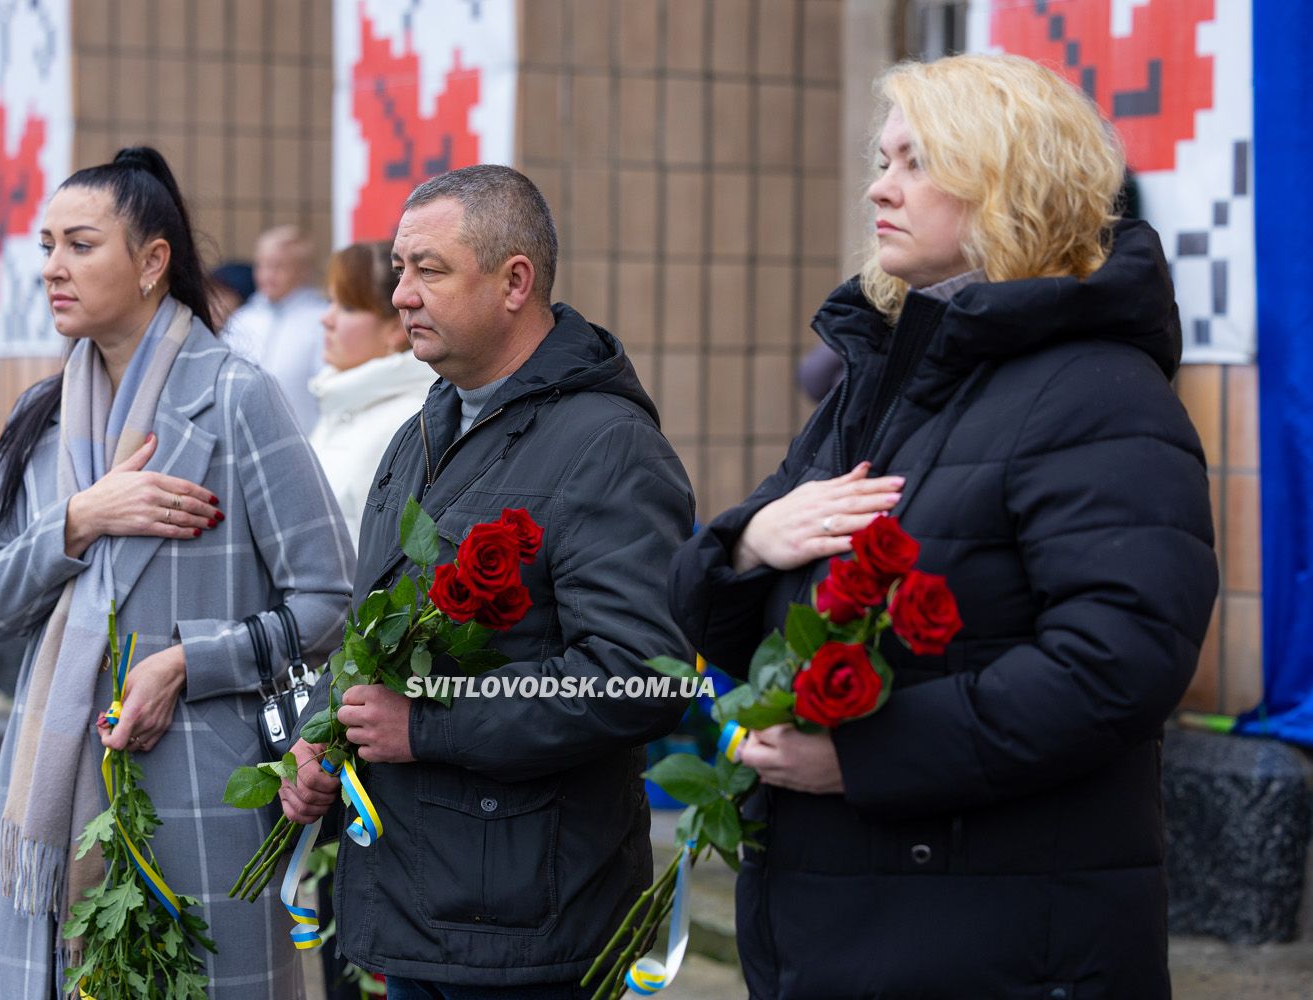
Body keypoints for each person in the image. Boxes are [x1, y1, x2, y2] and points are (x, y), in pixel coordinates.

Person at [669, 55, 1217, 999]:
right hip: (840, 929)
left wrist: (863, 761)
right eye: (883, 160)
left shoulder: (1096, 391)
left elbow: (1117, 663)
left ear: (1009, 182)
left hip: (999, 948)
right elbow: (710, 615)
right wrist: (752, 544)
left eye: (917, 162)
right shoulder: (881, 381)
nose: (880, 186)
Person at [280, 164, 697, 999]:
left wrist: (426, 726)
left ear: (516, 281)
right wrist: (326, 730)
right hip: (419, 906)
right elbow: (375, 636)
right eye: (399, 268)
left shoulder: (608, 447)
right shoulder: (421, 430)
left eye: (428, 269)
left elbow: (639, 678)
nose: (401, 294)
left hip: (529, 928)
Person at [0, 147, 354, 1000]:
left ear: (151, 262)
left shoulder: (237, 395)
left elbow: (330, 599)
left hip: (200, 791)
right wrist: (79, 518)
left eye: (80, 245)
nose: (53, 269)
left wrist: (186, 663)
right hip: (50, 803)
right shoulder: (41, 418)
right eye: (45, 246)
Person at [309, 240, 434, 545]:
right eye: (329, 301)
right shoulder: (340, 400)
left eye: (348, 307)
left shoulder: (409, 420)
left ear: (395, 327)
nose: (326, 319)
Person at [223, 226, 327, 435]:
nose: (267, 275)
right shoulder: (243, 318)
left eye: (278, 267)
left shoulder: (320, 320)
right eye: (261, 265)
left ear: (302, 271)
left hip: (305, 437)